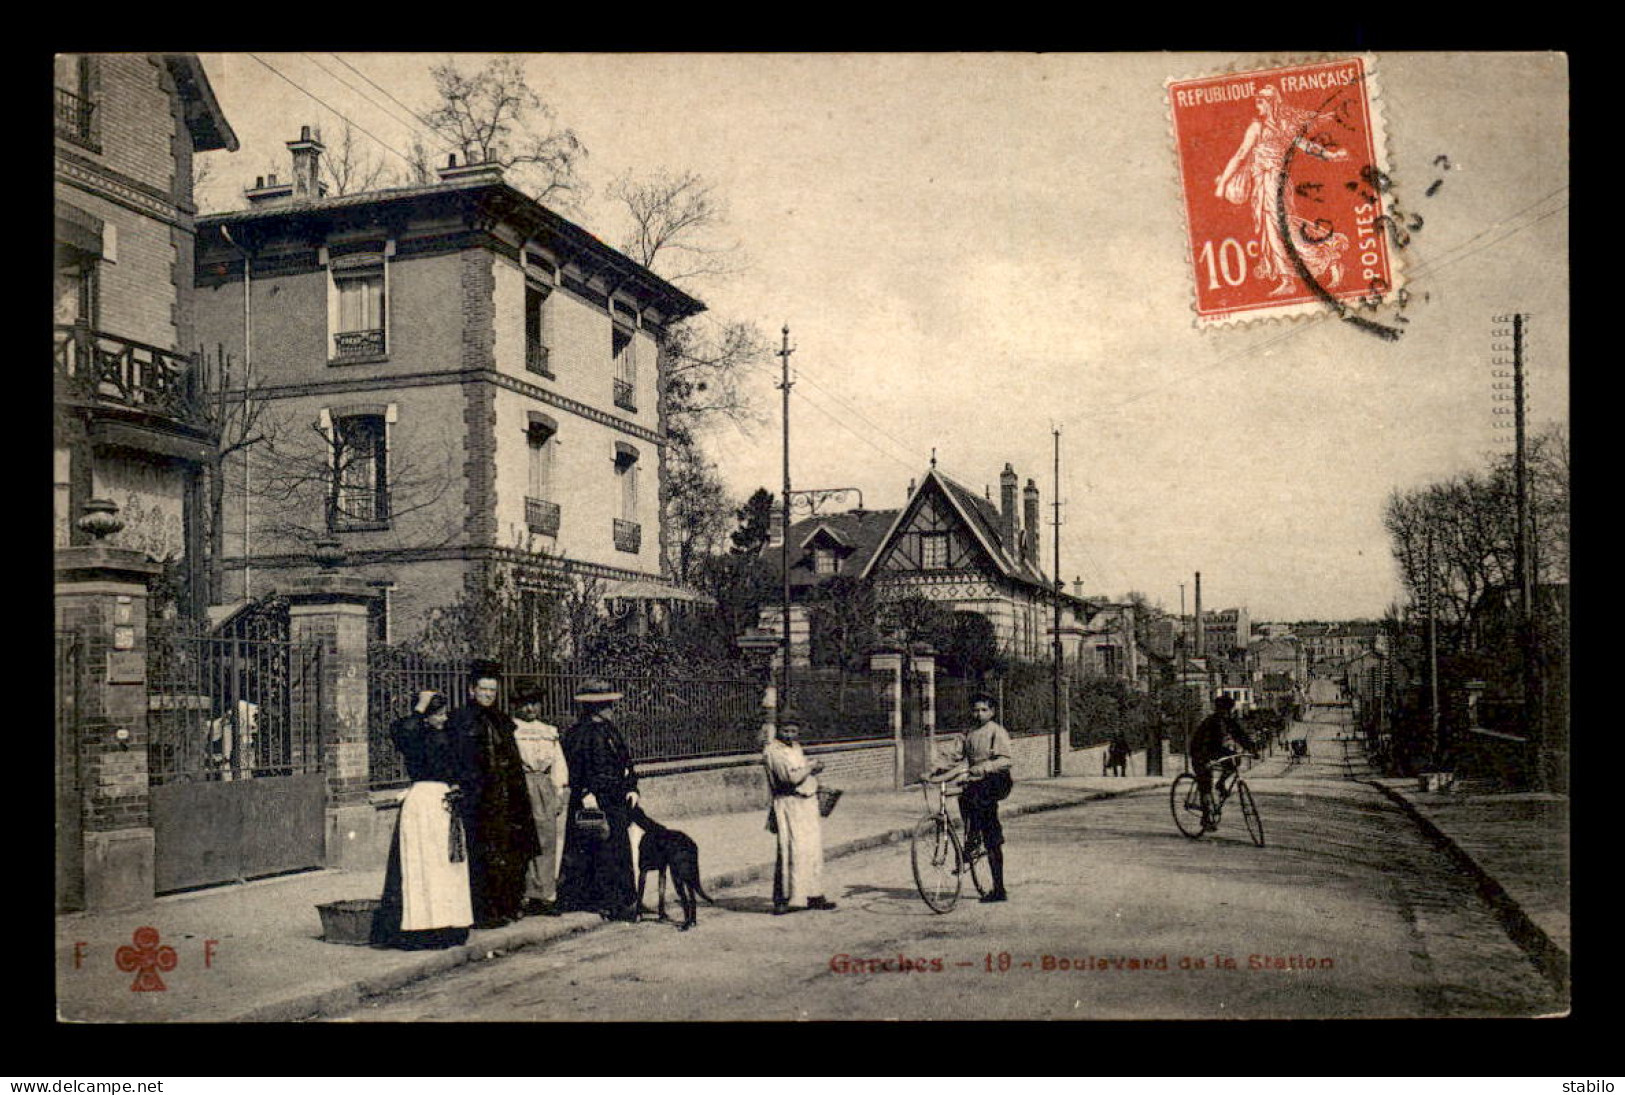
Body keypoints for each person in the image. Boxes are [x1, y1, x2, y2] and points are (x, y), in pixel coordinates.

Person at [1213, 85, 1352, 297]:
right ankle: (1294, 275)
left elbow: (1304, 145)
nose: (1257, 106)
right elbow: (1242, 155)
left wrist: (1223, 184)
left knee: (1280, 226)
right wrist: (1224, 180)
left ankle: (1326, 256)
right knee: (1274, 229)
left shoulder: (1270, 127)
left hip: (1274, 181)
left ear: (1271, 103)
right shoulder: (1262, 127)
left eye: (1261, 102)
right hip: (1263, 182)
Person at [371, 691, 474, 950]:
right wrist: (419, 707)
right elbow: (401, 731)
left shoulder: (451, 735)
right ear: (426, 717)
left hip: (447, 801)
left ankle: (450, 923)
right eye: (437, 713)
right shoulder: (413, 737)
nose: (444, 717)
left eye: (444, 713)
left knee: (447, 865)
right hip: (423, 804)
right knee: (424, 865)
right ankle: (425, 926)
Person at [447, 662, 540, 928]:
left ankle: (506, 906)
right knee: (481, 855)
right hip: (477, 800)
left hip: (506, 798)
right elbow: (457, 760)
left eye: (492, 690)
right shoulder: (460, 720)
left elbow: (512, 762)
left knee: (509, 852)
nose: (488, 694)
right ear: (471, 690)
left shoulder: (502, 721)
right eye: (484, 689)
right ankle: (482, 912)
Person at [556, 679, 641, 922]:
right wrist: (585, 794)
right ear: (594, 708)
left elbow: (625, 764)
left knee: (617, 847)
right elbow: (574, 769)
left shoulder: (611, 731)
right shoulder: (578, 734)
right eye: (605, 705)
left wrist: (632, 787)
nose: (610, 709)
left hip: (614, 799)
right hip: (592, 800)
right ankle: (602, 900)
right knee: (595, 848)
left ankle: (623, 899)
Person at [929, 692, 1013, 902]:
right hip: (976, 781)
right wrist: (934, 770)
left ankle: (999, 889)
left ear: (992, 712)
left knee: (989, 829)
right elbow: (953, 755)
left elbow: (1005, 760)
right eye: (975, 710)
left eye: (984, 710)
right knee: (965, 796)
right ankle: (972, 836)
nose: (979, 714)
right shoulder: (968, 732)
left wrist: (984, 767)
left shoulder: (997, 732)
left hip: (996, 779)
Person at [762, 707, 837, 915]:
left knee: (812, 849)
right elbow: (791, 778)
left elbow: (801, 770)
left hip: (807, 802)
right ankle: (784, 898)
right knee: (791, 850)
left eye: (793, 731)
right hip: (789, 803)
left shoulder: (795, 747)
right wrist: (811, 767)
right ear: (779, 730)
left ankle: (813, 894)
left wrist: (813, 771)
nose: (790, 735)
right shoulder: (773, 751)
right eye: (786, 730)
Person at [512, 689, 569, 916]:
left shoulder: (549, 732)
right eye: (525, 704)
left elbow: (558, 764)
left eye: (534, 704)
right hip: (521, 785)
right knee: (524, 839)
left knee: (546, 839)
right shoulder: (512, 730)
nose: (530, 709)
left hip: (544, 784)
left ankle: (545, 894)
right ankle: (523, 895)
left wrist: (559, 792)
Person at [1188, 694, 1259, 831]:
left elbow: (1240, 735)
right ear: (1218, 709)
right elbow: (1202, 743)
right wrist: (1206, 761)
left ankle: (1221, 784)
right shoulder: (1210, 722)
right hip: (1200, 752)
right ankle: (1206, 818)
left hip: (1216, 750)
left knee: (1235, 760)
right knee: (1206, 784)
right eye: (1224, 710)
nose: (1226, 713)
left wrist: (1252, 749)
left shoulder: (1229, 721)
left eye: (1228, 710)